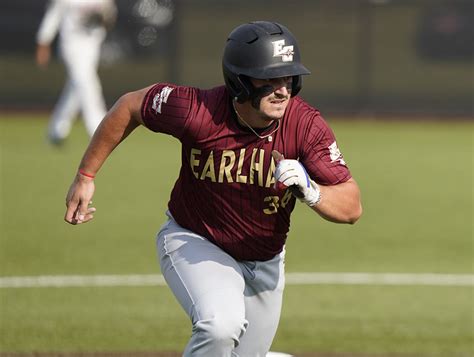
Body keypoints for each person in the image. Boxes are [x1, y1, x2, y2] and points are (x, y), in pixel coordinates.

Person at [64, 21, 362, 356]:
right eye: (269, 79)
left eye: (289, 78)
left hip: (265, 259)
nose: (283, 90)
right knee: (219, 326)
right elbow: (131, 106)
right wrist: (85, 176)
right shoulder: (197, 110)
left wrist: (311, 190)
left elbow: (351, 206)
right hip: (196, 239)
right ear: (239, 80)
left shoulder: (305, 125)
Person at [35, 0, 117, 145]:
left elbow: (109, 15)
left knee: (76, 87)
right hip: (71, 45)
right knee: (87, 84)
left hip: (92, 46)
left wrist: (105, 18)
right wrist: (43, 41)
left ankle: (56, 130)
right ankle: (99, 130)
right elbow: (53, 15)